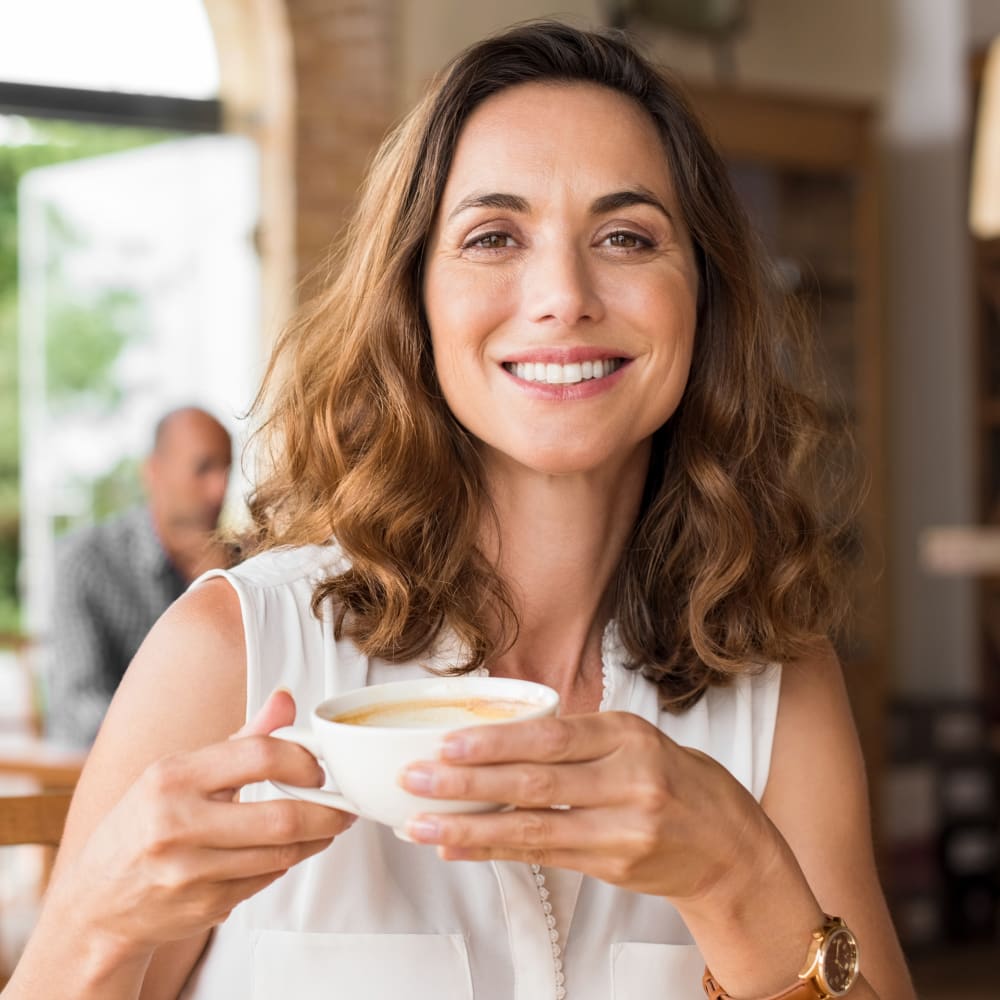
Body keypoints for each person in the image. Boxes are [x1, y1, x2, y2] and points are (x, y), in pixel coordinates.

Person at [7, 22, 915, 1000]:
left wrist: (739, 879)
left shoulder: (776, 680)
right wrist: (96, 923)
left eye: (625, 235)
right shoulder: (232, 650)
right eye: (492, 237)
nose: (563, 296)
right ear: (414, 299)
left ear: (701, 294)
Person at [44, 406, 234, 747]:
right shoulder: (87, 562)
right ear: (154, 472)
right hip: (115, 779)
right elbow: (80, 706)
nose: (220, 488)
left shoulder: (242, 564)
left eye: (226, 469)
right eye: (203, 468)